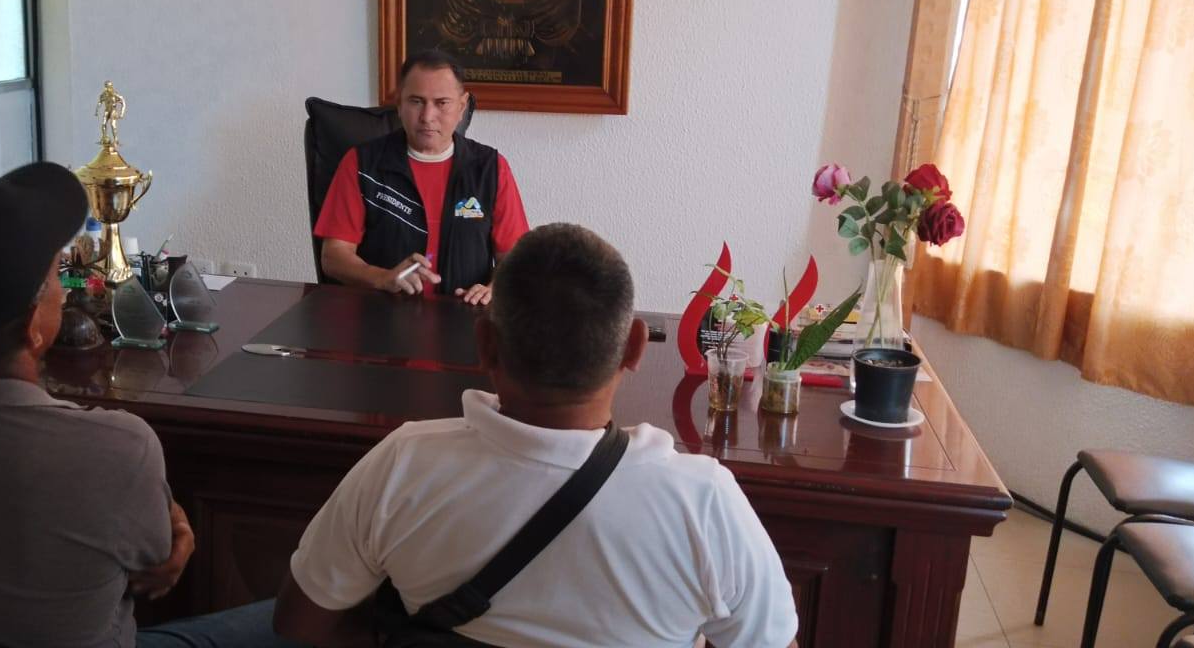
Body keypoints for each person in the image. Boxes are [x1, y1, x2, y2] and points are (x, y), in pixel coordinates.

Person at [0, 162, 300, 648]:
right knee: (309, 617)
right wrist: (167, 511)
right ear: (32, 327)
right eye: (56, 279)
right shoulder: (116, 446)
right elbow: (156, 560)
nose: (64, 294)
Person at [274, 224, 800, 647]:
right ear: (635, 347)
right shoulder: (703, 502)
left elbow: (300, 622)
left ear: (485, 345)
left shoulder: (401, 464)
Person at [314, 50, 530, 306]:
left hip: (464, 317)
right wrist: (382, 278)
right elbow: (333, 257)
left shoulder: (490, 168)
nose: (427, 117)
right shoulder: (361, 164)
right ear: (399, 103)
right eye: (416, 101)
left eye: (442, 103)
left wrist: (495, 288)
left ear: (461, 106)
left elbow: (516, 259)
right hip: (382, 315)